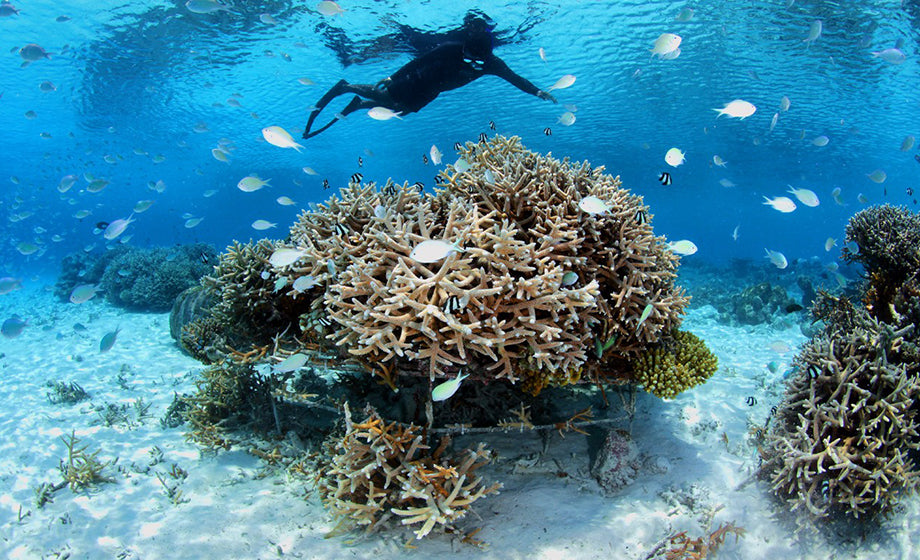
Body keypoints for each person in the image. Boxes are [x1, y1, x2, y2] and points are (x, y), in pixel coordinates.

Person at [302, 14, 557, 139]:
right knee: (385, 96)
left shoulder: (492, 64)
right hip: (418, 80)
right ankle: (347, 88)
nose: (469, 60)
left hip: (432, 91)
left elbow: (515, 79)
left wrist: (537, 91)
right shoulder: (450, 47)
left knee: (401, 112)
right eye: (467, 54)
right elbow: (419, 60)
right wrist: (393, 77)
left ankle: (359, 105)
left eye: (474, 59)